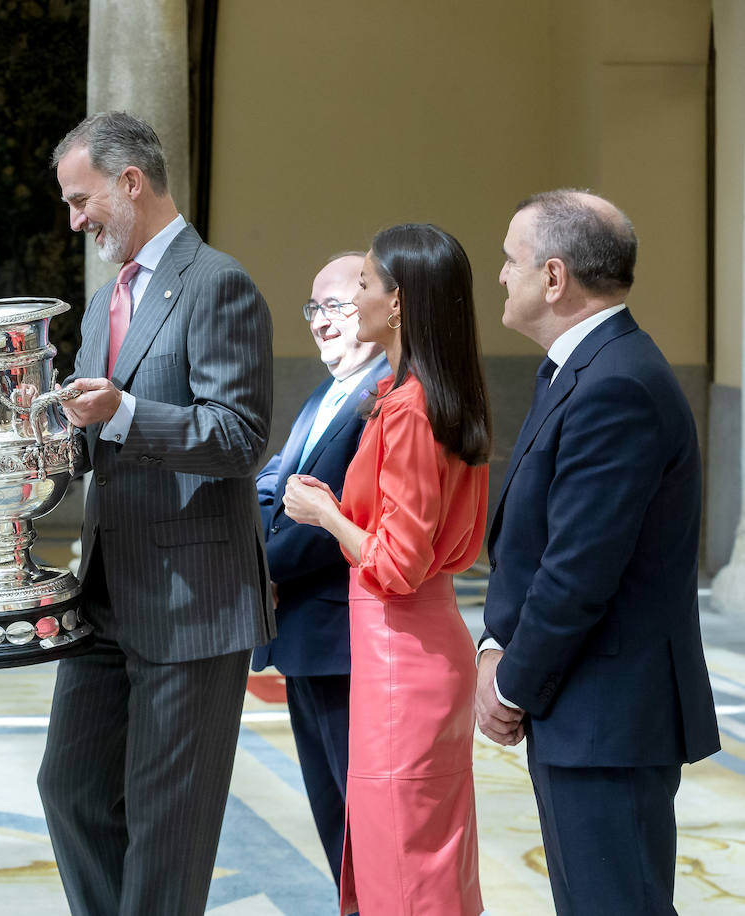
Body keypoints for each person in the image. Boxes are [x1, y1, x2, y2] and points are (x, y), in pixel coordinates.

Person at [35, 111, 274, 916]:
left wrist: (128, 412)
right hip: (102, 596)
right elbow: (91, 437)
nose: (75, 220)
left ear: (129, 180)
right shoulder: (104, 302)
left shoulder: (219, 283)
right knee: (68, 790)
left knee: (167, 830)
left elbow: (240, 437)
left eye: (81, 199)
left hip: (191, 600)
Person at [476, 190, 720, 915]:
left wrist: (510, 683)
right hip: (583, 710)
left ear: (554, 278)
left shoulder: (618, 386)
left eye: (509, 260)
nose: (500, 276)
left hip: (608, 719)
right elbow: (538, 544)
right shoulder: (579, 368)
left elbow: (578, 573)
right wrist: (495, 643)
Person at [282, 224, 490, 916]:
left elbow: (396, 564)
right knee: (431, 856)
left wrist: (327, 514)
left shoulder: (406, 406)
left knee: (402, 864)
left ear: (398, 303)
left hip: (399, 652)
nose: (352, 299)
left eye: (365, 285)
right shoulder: (437, 392)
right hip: (427, 641)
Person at [251, 250, 389, 888]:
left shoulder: (384, 392)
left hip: (345, 640)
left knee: (364, 822)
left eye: (335, 305)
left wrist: (254, 568)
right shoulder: (328, 391)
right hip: (307, 637)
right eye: (314, 307)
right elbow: (273, 483)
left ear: (374, 303)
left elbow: (335, 520)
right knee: (334, 820)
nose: (321, 320)